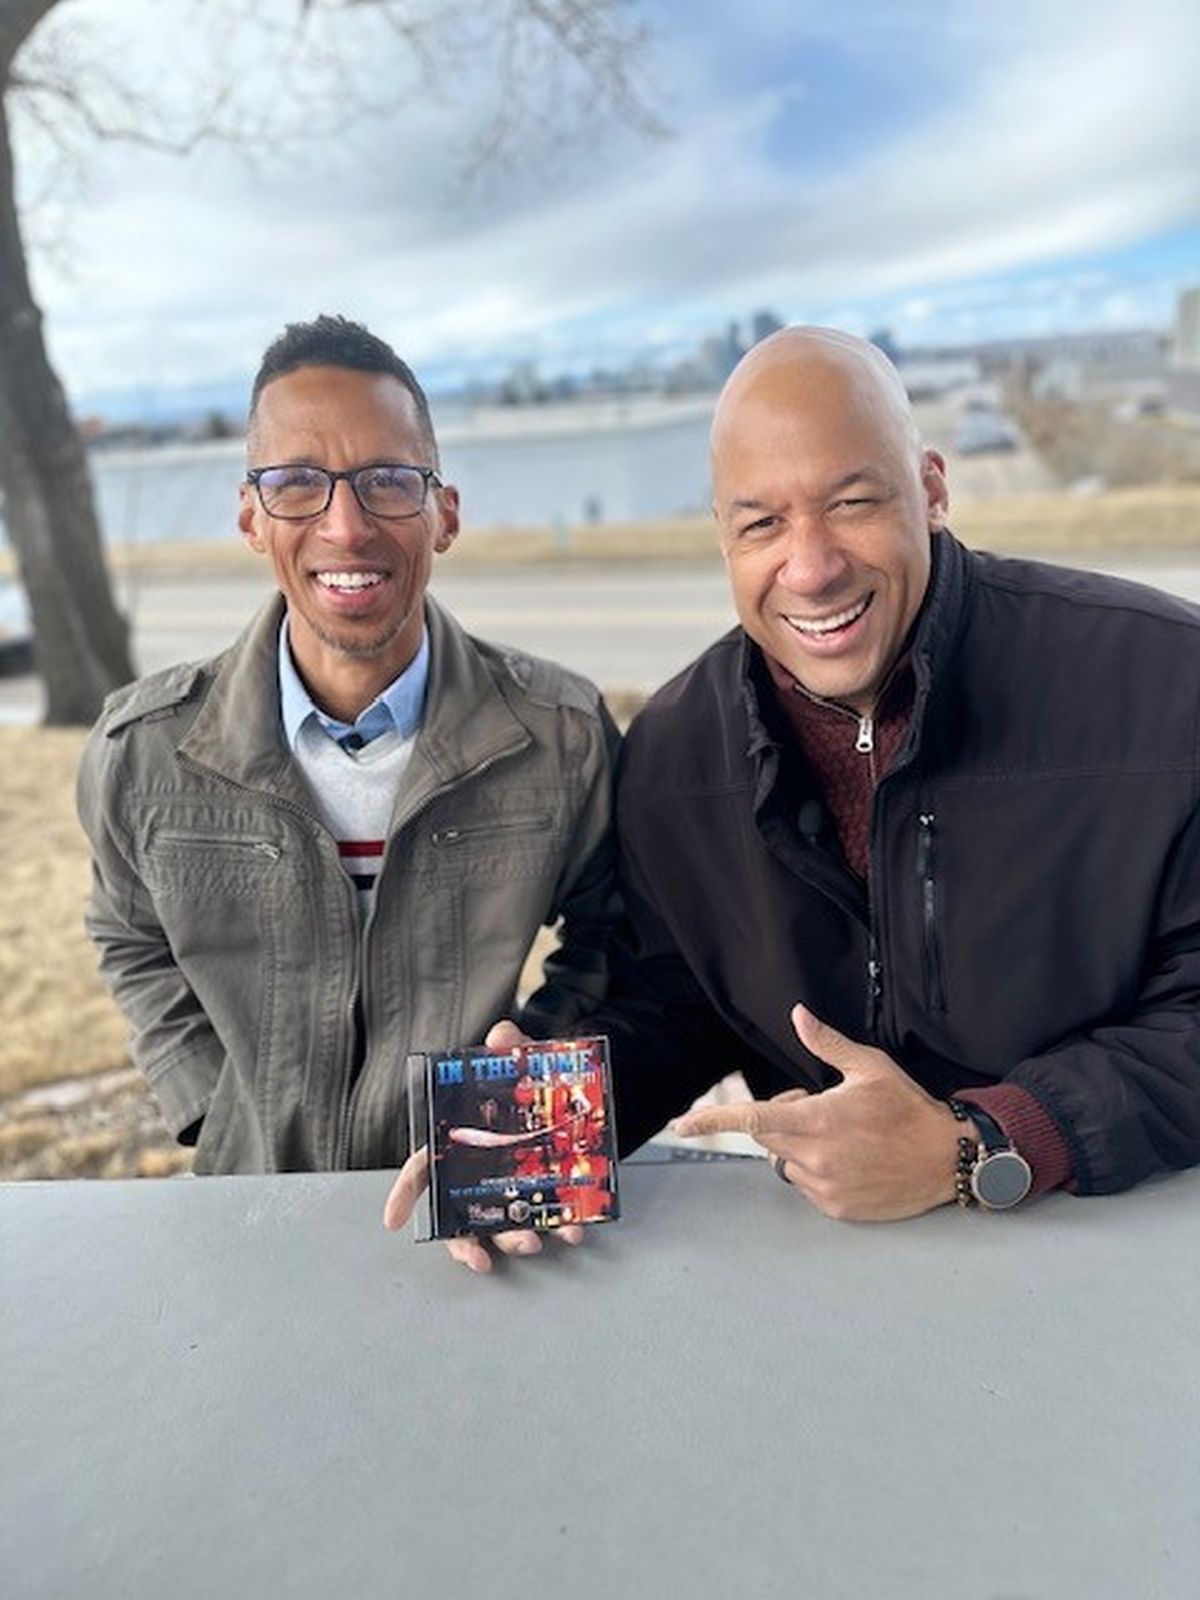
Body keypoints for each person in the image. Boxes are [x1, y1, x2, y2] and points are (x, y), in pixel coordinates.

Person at [385, 324, 1200, 1266]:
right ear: (723, 538)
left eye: (852, 503)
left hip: (1129, 1246)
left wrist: (982, 1142)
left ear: (932, 490)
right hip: (836, 1267)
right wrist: (528, 1130)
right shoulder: (677, 752)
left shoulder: (1160, 682)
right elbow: (682, 1000)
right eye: (762, 524)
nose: (810, 568)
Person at [77, 314, 619, 1175]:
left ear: (444, 514)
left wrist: (516, 1106)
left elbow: (616, 938)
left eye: (388, 481)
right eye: (298, 482)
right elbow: (129, 933)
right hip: (250, 1205)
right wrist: (211, 1107)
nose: (345, 525)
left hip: (472, 1201)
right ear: (251, 517)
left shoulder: (563, 738)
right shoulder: (141, 754)